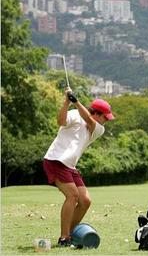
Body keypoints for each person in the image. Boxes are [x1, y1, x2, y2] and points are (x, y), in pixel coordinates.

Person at [43, 87, 114, 247]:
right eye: (106, 117)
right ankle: (64, 238)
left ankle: (71, 232)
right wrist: (67, 103)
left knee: (85, 201)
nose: (107, 121)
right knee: (72, 196)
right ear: (97, 113)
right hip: (55, 159)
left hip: (70, 165)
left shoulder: (98, 129)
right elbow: (60, 121)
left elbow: (88, 120)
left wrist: (76, 101)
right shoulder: (75, 114)